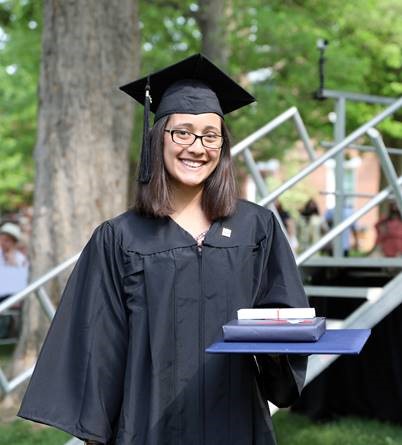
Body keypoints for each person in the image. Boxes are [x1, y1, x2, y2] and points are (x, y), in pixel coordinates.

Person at [18, 54, 308, 445]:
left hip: (236, 420)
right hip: (147, 425)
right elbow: (98, 346)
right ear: (158, 138)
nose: (197, 147)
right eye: (183, 133)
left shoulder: (256, 228)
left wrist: (279, 351)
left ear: (222, 146)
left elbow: (283, 312)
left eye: (210, 135)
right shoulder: (120, 238)